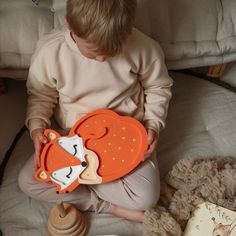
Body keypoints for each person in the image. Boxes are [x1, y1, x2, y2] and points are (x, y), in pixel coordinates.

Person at [18, 0, 173, 222]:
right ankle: (106, 206)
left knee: (147, 197)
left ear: (128, 30)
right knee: (27, 181)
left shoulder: (144, 47)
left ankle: (79, 182)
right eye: (92, 53)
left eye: (111, 53)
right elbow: (41, 95)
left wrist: (153, 125)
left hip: (126, 133)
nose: (101, 60)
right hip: (73, 135)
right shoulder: (51, 51)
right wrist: (37, 127)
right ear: (69, 25)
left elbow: (158, 87)